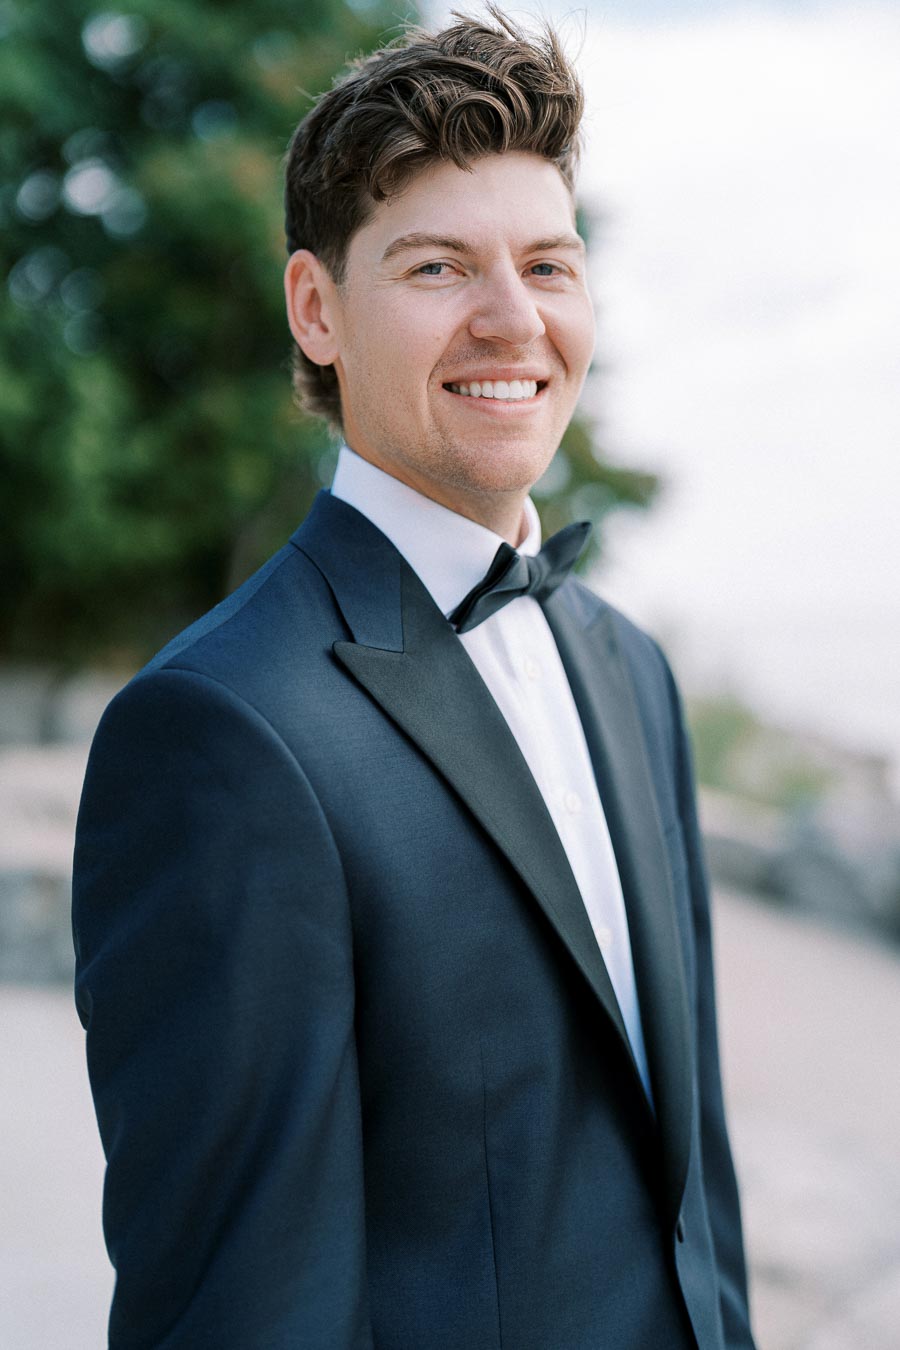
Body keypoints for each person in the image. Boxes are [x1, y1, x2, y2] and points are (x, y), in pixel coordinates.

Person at [73, 9, 756, 1348]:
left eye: (548, 265)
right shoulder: (218, 732)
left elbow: (697, 1202)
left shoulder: (633, 671)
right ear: (316, 309)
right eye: (438, 266)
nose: (514, 319)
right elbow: (242, 1310)